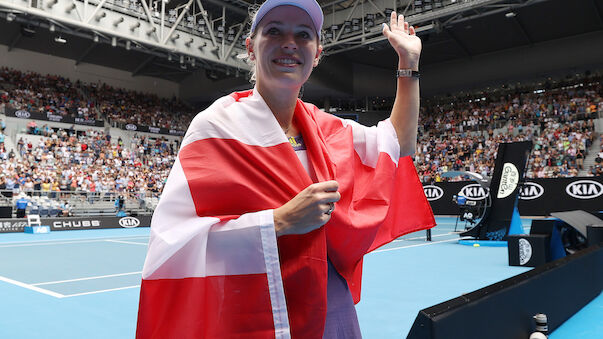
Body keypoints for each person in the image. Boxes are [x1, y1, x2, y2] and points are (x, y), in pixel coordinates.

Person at [136, 0, 435, 337]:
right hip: (252, 309)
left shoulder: (328, 130)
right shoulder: (215, 127)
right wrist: (278, 222)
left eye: (303, 35)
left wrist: (408, 64)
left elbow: (398, 142)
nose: (290, 42)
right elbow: (172, 240)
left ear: (317, 53)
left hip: (328, 306)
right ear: (251, 47)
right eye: (274, 31)